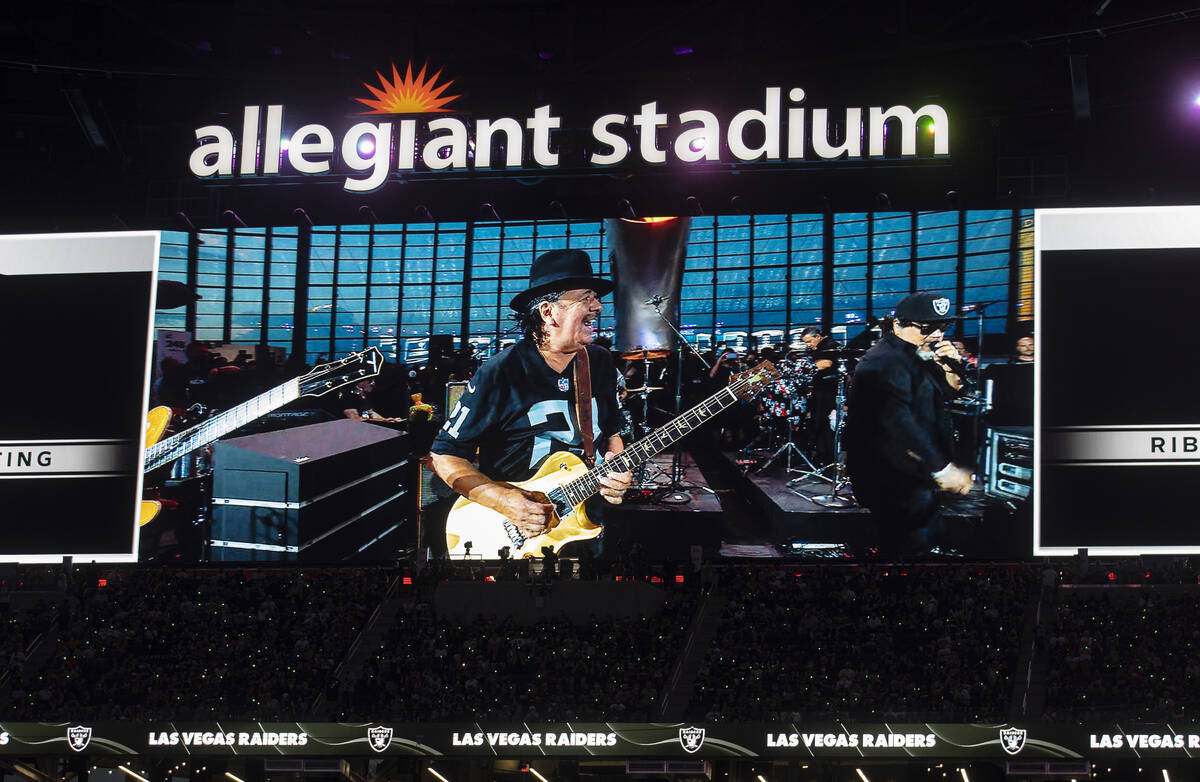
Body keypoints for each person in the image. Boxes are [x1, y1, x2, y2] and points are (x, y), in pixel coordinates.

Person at [428, 249, 633, 548]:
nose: (598, 306)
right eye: (585, 298)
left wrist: (617, 474)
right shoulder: (501, 371)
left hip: (587, 525)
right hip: (513, 534)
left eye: (595, 298)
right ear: (548, 312)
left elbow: (612, 434)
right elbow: (444, 455)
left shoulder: (599, 363)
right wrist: (503, 501)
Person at [844, 291, 974, 558]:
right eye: (927, 328)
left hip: (917, 475)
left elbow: (951, 393)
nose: (937, 335)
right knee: (906, 550)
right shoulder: (881, 362)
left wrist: (951, 366)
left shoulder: (918, 354)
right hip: (893, 478)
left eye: (943, 326)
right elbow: (898, 424)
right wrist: (942, 469)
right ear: (896, 325)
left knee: (919, 544)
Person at [799, 326, 842, 465]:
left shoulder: (830, 345)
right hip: (820, 390)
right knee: (817, 422)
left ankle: (827, 459)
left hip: (828, 391)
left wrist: (807, 367)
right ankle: (820, 455)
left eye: (809, 341)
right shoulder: (818, 348)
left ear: (818, 336)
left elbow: (826, 363)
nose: (808, 345)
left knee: (824, 423)